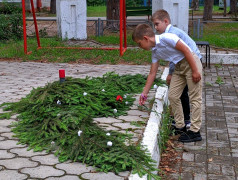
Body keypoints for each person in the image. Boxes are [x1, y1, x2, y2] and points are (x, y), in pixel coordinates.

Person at [132, 24, 203, 143]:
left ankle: (195, 132)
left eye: (139, 43)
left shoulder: (167, 38)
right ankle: (180, 126)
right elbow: (152, 73)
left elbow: (186, 50)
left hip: (191, 63)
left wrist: (195, 70)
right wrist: (144, 93)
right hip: (179, 67)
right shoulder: (155, 52)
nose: (139, 47)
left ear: (146, 38)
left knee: (195, 97)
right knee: (173, 95)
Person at [151, 9, 203, 130]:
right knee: (177, 94)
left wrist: (171, 73)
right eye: (154, 25)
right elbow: (173, 55)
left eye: (157, 24)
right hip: (183, 63)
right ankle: (182, 122)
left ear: (165, 21)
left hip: (192, 62)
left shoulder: (172, 33)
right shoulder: (167, 34)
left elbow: (183, 53)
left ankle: (188, 121)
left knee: (187, 94)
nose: (156, 28)